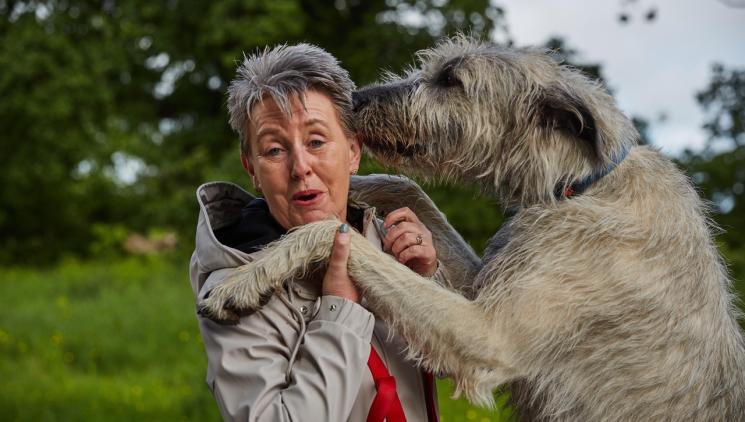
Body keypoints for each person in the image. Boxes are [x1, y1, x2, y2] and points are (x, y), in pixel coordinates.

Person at [189, 43, 446, 421]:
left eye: (316, 141)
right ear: (252, 170)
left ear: (353, 152)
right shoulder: (235, 291)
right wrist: (339, 311)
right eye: (275, 150)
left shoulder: (386, 243)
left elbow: (456, 367)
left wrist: (425, 281)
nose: (300, 166)